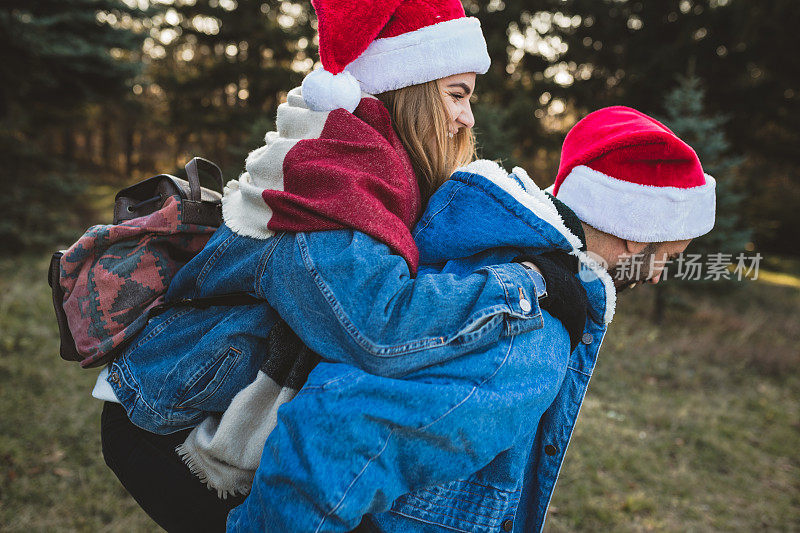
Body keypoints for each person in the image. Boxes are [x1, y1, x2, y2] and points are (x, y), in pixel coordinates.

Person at [99, 0, 559, 530]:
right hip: (166, 426)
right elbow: (379, 328)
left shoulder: (369, 171)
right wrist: (525, 286)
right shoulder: (325, 185)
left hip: (213, 401)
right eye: (457, 94)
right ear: (408, 87)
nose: (467, 116)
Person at [220, 106, 716, 532]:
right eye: (666, 257)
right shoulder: (533, 329)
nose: (656, 277)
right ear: (634, 234)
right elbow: (331, 442)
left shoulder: (485, 252)